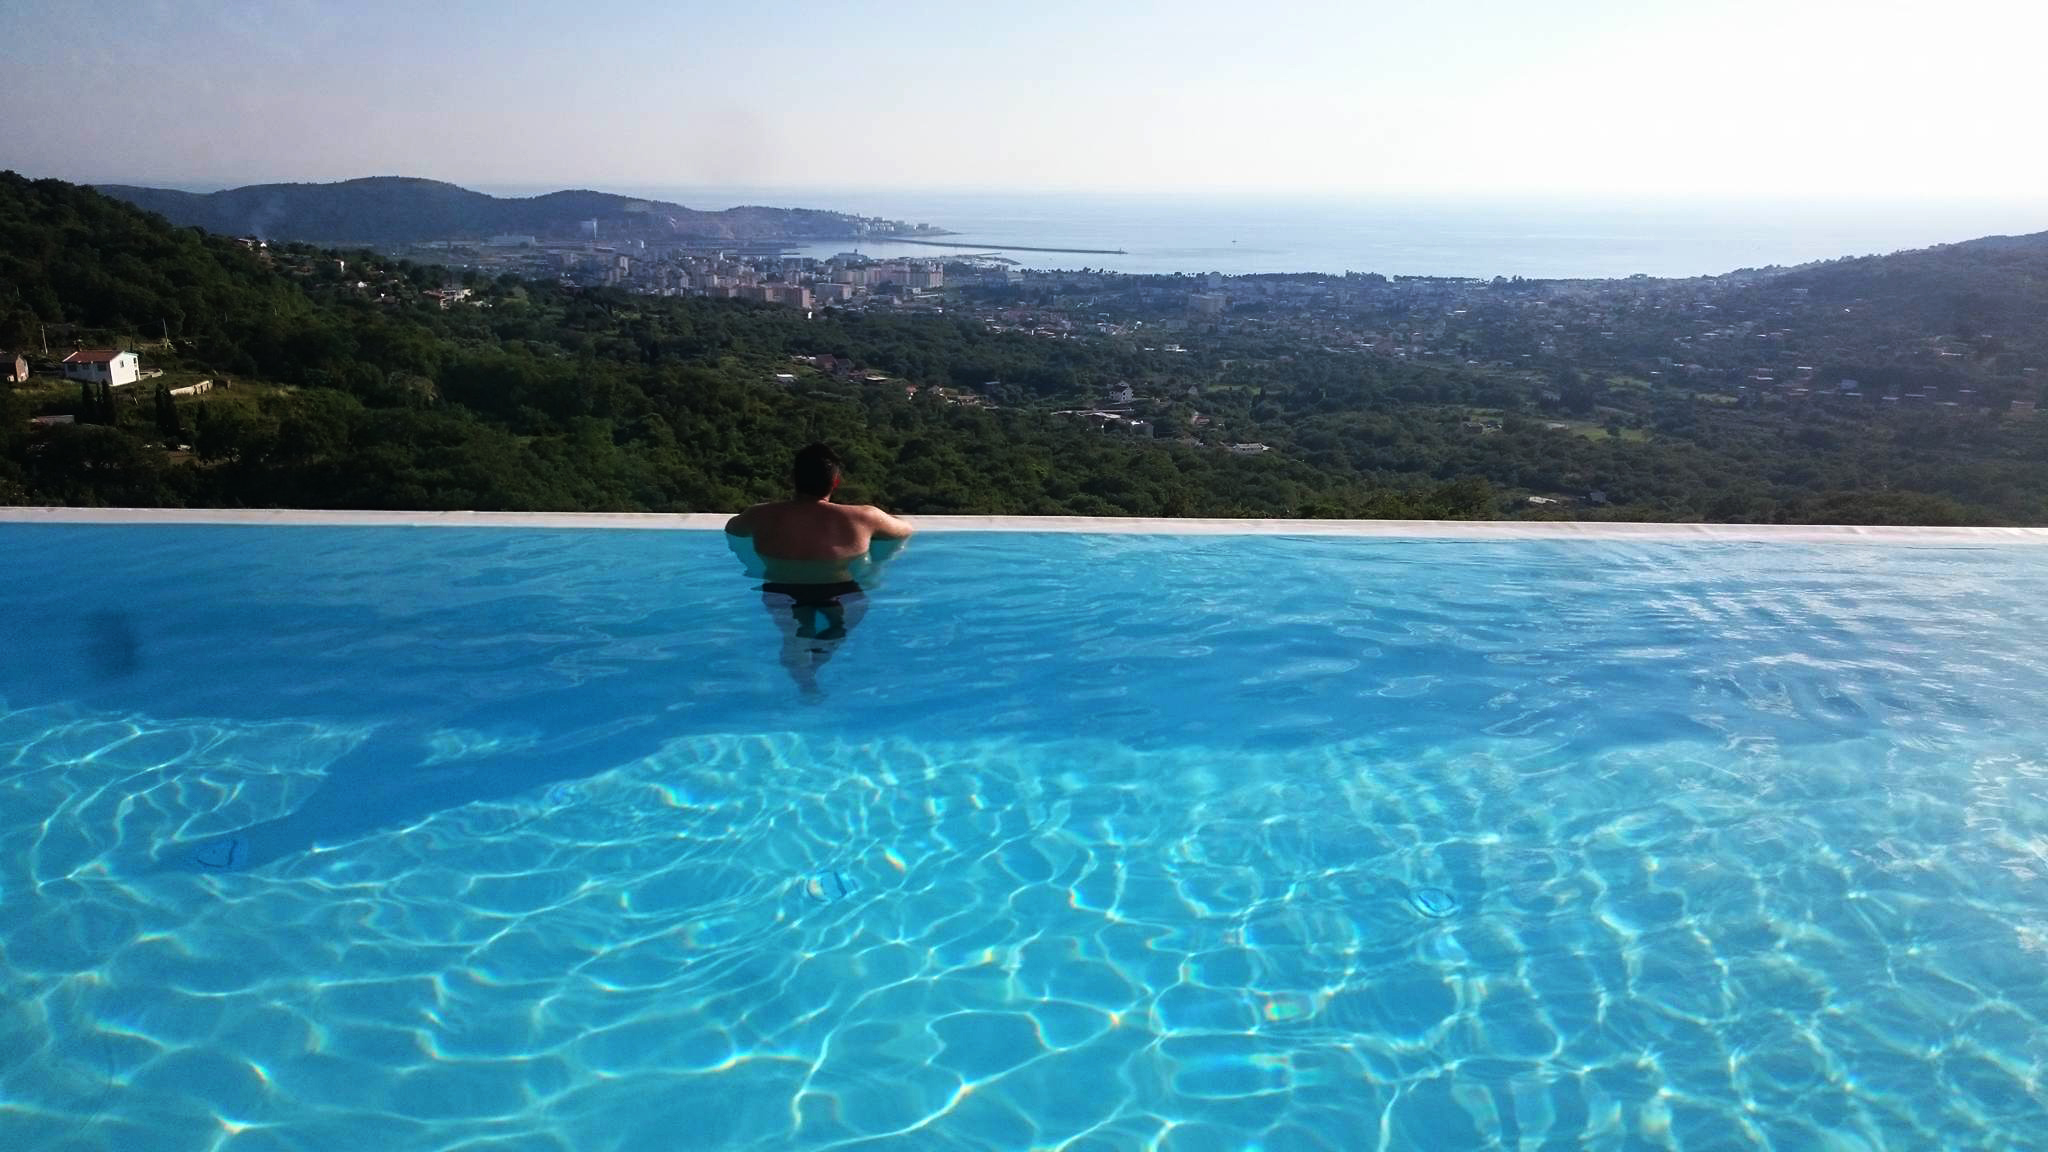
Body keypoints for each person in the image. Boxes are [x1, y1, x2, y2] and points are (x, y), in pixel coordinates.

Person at [725, 444, 913, 695]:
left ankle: (803, 676)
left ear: (792, 479)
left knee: (795, 634)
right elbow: (905, 530)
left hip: (782, 588)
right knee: (838, 628)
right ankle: (815, 665)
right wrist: (876, 563)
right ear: (835, 482)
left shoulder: (759, 515)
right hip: (841, 590)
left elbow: (732, 529)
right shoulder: (864, 518)